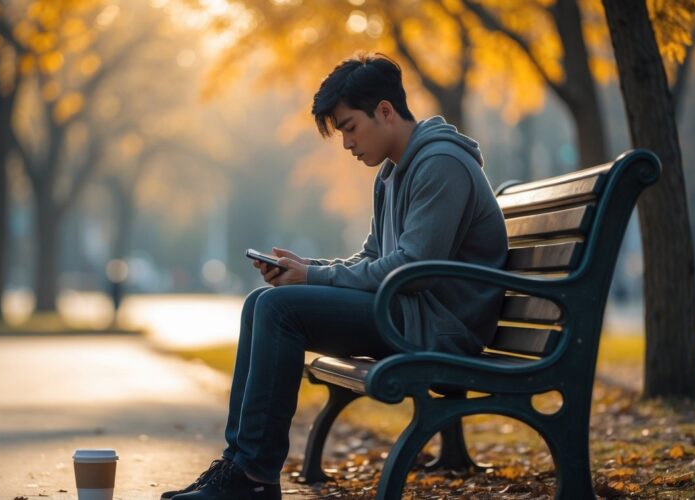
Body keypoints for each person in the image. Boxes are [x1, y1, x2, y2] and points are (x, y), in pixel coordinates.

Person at [161, 53, 508, 500]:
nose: (346, 143)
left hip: (441, 328)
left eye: (349, 127)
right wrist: (308, 271)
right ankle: (238, 465)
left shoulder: (441, 164)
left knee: (279, 309)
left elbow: (410, 270)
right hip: (409, 312)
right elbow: (372, 257)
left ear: (385, 111)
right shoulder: (391, 173)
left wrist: (311, 279)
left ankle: (252, 478)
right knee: (260, 303)